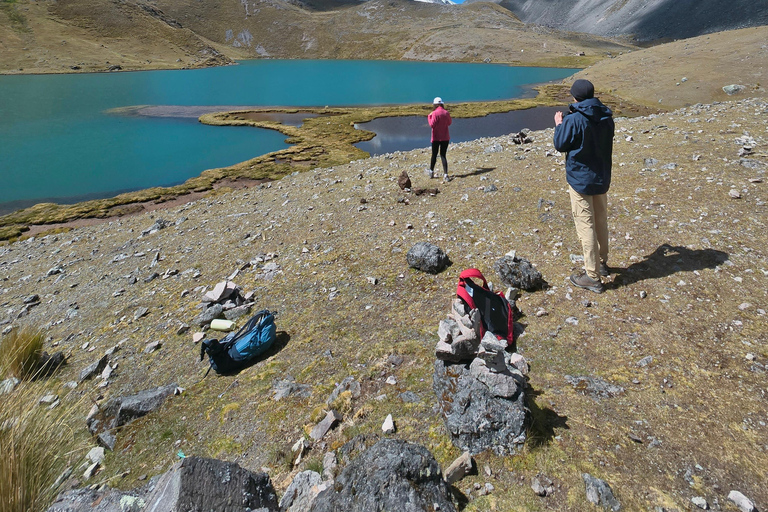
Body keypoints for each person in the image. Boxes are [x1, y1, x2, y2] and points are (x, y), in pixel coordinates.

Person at [554, 79, 615, 294]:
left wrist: (559, 125)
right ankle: (603, 263)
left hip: (580, 180)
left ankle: (592, 276)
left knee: (585, 224)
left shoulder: (574, 119)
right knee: (600, 220)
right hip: (601, 177)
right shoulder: (606, 116)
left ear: (575, 97)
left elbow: (560, 145)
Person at [427, 97, 452, 182]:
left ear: (435, 104)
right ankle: (445, 174)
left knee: (434, 154)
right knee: (443, 155)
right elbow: (449, 123)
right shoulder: (446, 113)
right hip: (445, 137)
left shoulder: (434, 113)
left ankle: (431, 172)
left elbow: (432, 125)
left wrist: (429, 117)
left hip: (436, 138)